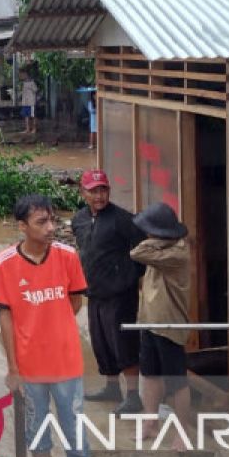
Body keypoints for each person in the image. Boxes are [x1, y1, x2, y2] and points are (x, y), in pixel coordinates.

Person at [0, 194, 90, 457]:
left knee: (77, 435)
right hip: (29, 369)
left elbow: (75, 301)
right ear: (23, 226)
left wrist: (51, 324)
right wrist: (13, 369)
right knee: (38, 435)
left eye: (52, 220)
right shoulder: (5, 263)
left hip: (67, 365)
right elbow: (5, 316)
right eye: (41, 222)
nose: (50, 228)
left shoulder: (67, 256)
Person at [71, 170, 144, 414]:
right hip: (94, 291)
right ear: (83, 193)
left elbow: (143, 248)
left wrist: (129, 276)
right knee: (101, 340)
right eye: (93, 191)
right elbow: (83, 250)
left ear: (109, 191)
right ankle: (112, 387)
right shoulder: (79, 220)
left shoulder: (123, 219)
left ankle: (133, 396)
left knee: (123, 342)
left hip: (120, 294)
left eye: (103, 190)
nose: (99, 196)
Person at [129, 202, 192, 445]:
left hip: (169, 326)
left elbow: (137, 253)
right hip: (149, 322)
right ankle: (150, 422)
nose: (146, 235)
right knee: (151, 375)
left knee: (177, 382)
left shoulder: (177, 252)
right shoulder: (163, 247)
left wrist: (155, 238)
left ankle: (182, 432)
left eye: (150, 230)